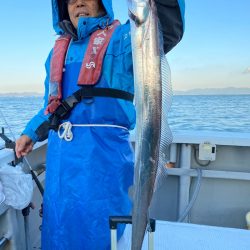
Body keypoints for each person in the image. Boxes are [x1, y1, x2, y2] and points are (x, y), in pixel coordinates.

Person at [15, 0, 185, 249]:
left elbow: (166, 28)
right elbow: (50, 106)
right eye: (71, 0)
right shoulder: (56, 53)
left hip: (103, 164)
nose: (78, 3)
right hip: (61, 165)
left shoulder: (124, 38)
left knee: (102, 233)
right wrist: (30, 132)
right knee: (58, 231)